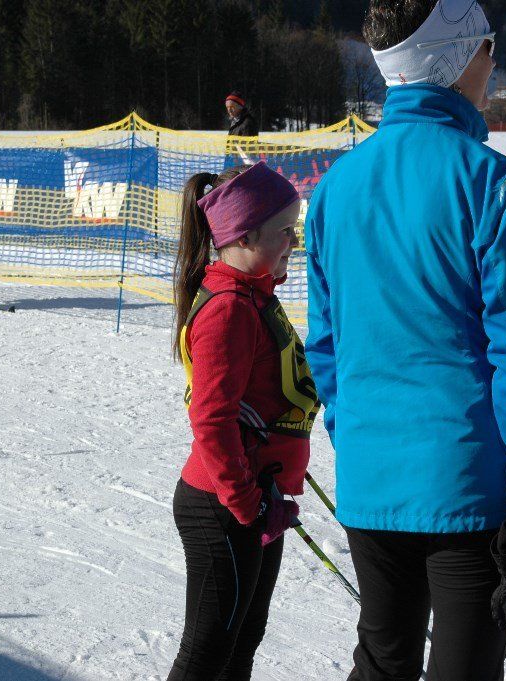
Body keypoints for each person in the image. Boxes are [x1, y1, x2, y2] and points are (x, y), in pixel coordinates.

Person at [303, 1, 506, 679]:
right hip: (467, 489)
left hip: (371, 479)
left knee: (383, 662)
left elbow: (326, 348)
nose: (493, 61)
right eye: (485, 45)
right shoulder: (490, 181)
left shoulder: (335, 188)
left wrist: (358, 439)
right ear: (454, 58)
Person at [168, 161, 319, 680]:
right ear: (245, 234)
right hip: (223, 503)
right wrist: (246, 503)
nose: (293, 242)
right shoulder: (229, 307)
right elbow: (211, 419)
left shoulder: (255, 296)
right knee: (206, 654)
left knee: (241, 643)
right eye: (284, 231)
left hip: (255, 496)